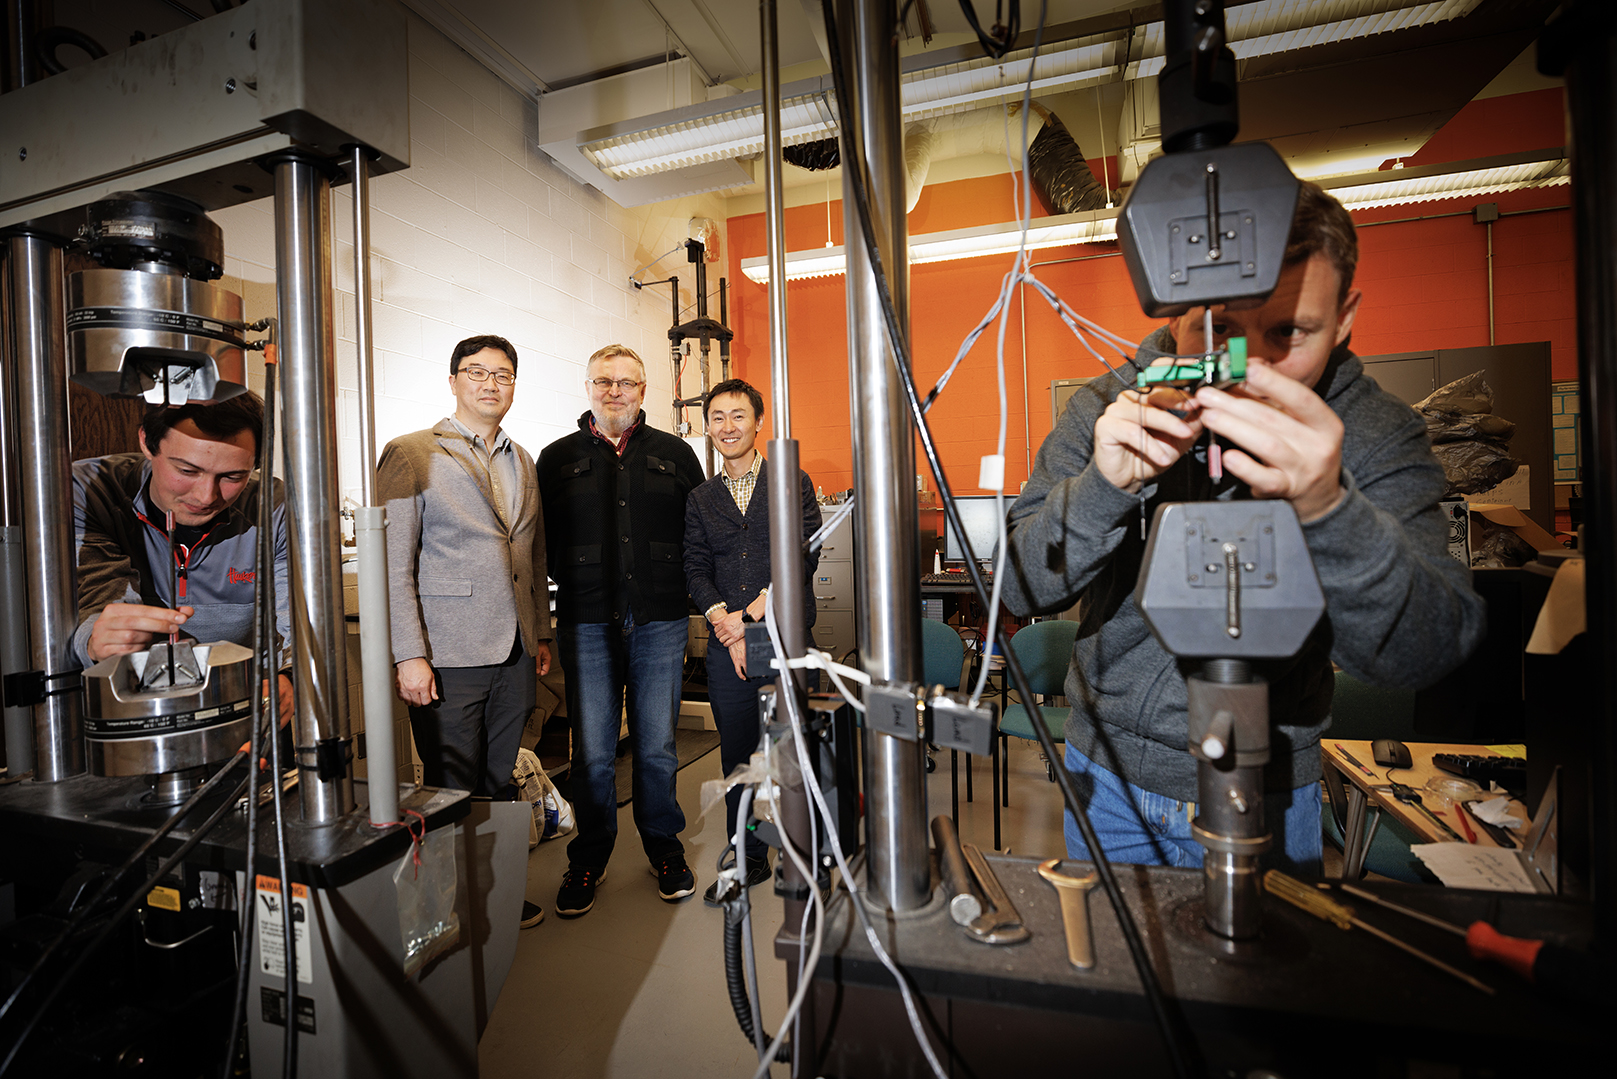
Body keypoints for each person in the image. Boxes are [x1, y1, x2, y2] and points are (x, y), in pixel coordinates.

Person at [1000, 181, 1486, 873]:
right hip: (1107, 776)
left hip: (1272, 786)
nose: (1247, 369)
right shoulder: (1106, 408)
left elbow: (1426, 649)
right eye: (1219, 328)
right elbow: (1016, 588)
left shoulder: (1371, 432)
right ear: (1173, 306)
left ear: (1343, 318)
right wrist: (1102, 490)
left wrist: (1326, 506)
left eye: (1287, 332)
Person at [378, 334, 553, 929]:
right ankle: (449, 907)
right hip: (447, 652)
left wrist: (541, 636)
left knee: (499, 780)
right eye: (476, 372)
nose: (490, 384)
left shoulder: (521, 458)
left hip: (513, 650)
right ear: (452, 380)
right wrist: (409, 655)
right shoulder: (411, 453)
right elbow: (391, 566)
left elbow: (532, 554)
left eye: (502, 375)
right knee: (450, 786)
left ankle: (494, 896)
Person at [539, 344, 705, 918]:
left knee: (657, 745)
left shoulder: (677, 454)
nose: (615, 391)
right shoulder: (556, 459)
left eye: (626, 383)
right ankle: (589, 854)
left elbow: (697, 535)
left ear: (643, 390)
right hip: (586, 620)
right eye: (604, 381)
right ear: (588, 387)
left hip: (659, 619)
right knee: (591, 751)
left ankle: (664, 848)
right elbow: (541, 544)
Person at [683, 379, 822, 905]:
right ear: (707, 425)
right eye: (717, 417)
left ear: (758, 422)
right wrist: (725, 622)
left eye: (737, 416)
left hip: (782, 631)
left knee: (791, 748)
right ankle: (748, 853)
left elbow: (803, 552)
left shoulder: (791, 481)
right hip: (728, 641)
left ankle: (803, 851)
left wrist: (754, 611)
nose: (727, 427)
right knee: (739, 754)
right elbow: (695, 565)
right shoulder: (701, 497)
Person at [72, 392, 293, 720]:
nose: (207, 496)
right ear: (147, 442)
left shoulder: (274, 507)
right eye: (187, 470)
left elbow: (299, 624)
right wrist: (97, 641)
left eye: (232, 477)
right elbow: (98, 603)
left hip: (246, 711)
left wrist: (289, 676)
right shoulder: (90, 491)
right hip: (120, 712)